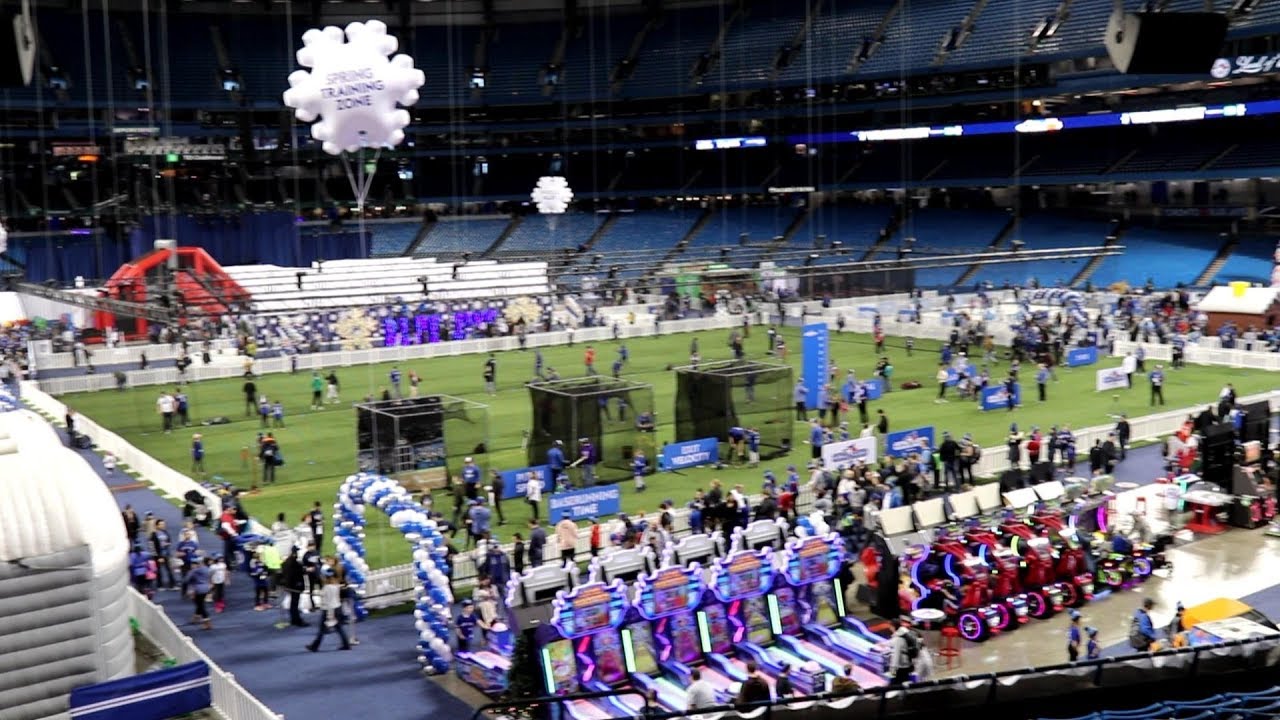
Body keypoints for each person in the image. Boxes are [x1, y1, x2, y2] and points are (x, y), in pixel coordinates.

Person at [306, 563, 352, 652]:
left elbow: (325, 599)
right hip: (337, 607)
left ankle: (315, 646)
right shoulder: (336, 585)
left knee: (322, 629)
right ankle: (346, 644)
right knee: (338, 627)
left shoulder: (327, 588)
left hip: (329, 609)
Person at [185, 556, 213, 631]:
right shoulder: (206, 568)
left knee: (200, 605)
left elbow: (187, 579)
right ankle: (196, 617)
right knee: (199, 603)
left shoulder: (194, 571)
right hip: (206, 588)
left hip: (198, 590)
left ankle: (207, 622)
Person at [889, 618, 917, 684]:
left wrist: (893, 669)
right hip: (907, 663)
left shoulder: (898, 638)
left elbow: (896, 655)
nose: (889, 628)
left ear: (893, 627)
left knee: (897, 683)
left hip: (901, 665)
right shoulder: (904, 633)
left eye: (890, 626)